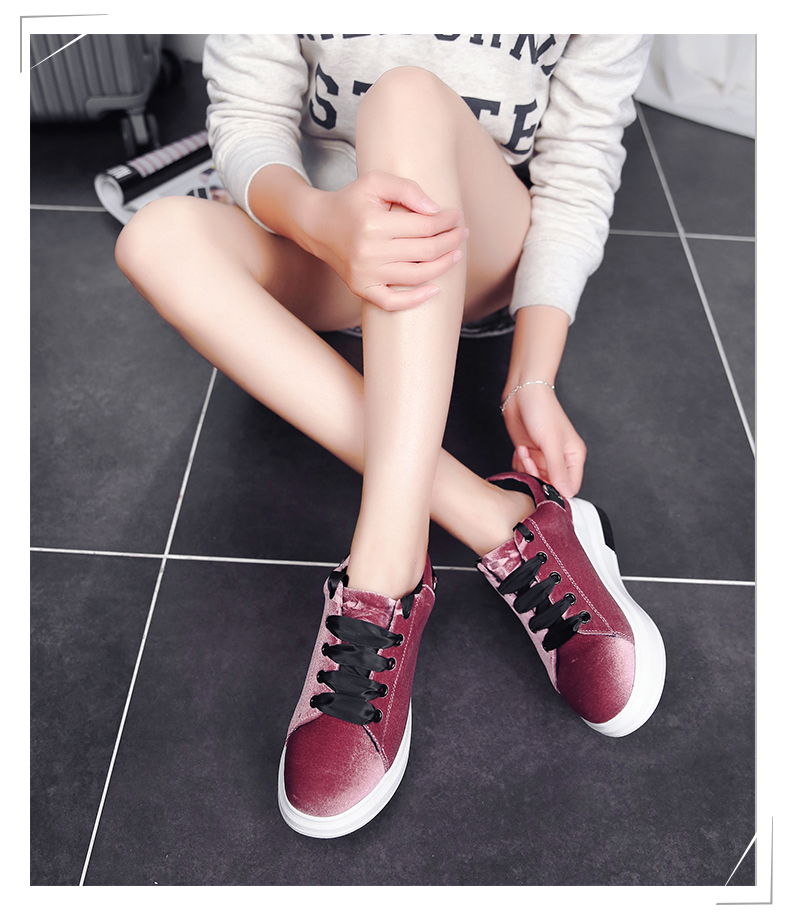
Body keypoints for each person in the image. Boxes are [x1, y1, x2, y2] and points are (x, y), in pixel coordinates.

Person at [115, 33, 666, 840]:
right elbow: (247, 116)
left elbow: (578, 167)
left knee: (406, 96)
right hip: (330, 239)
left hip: (477, 245)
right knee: (154, 239)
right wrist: (318, 220)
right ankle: (502, 520)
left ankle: (382, 578)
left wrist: (533, 376)